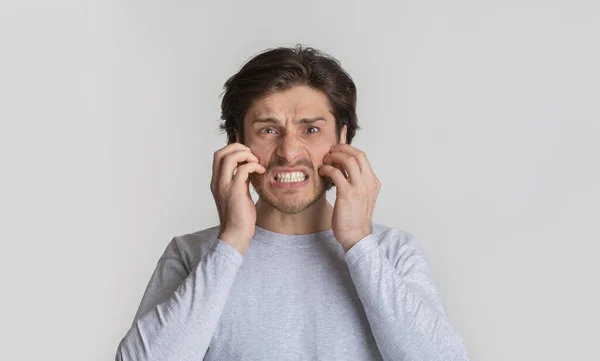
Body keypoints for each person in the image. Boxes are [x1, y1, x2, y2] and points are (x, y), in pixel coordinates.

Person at [115, 45, 470, 361]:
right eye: (268, 130)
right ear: (237, 140)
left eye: (310, 129)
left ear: (342, 135)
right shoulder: (193, 254)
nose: (288, 152)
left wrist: (359, 243)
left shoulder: (393, 253)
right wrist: (234, 239)